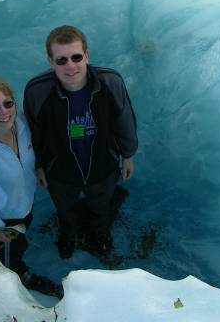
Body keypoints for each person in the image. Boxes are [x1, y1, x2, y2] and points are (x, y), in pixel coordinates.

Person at [23, 25, 138, 259]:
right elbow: (34, 133)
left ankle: (100, 235)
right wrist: (39, 165)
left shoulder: (110, 82)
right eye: (61, 60)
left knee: (101, 207)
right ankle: (68, 234)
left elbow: (124, 120)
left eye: (76, 57)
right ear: (51, 61)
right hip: (61, 171)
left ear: (86, 55)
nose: (70, 66)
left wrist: (128, 155)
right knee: (65, 210)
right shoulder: (38, 91)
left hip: (103, 165)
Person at [0, 78, 62, 298]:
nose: (4, 112)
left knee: (21, 236)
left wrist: (38, 168)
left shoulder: (23, 127)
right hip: (5, 218)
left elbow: (33, 152)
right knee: (11, 253)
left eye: (8, 104)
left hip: (24, 204)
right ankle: (16, 276)